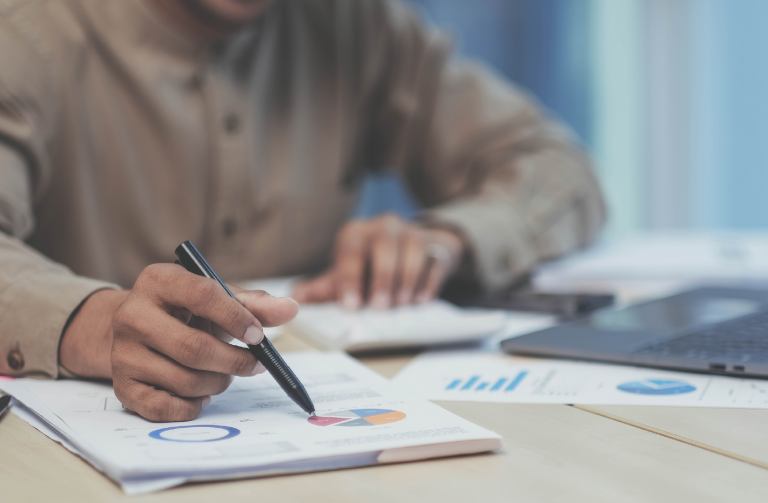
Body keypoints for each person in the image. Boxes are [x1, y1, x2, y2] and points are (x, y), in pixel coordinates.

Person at [0, 0, 605, 421]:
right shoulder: (27, 36)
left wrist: (450, 238)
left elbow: (559, 167)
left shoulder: (354, 24)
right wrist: (101, 324)